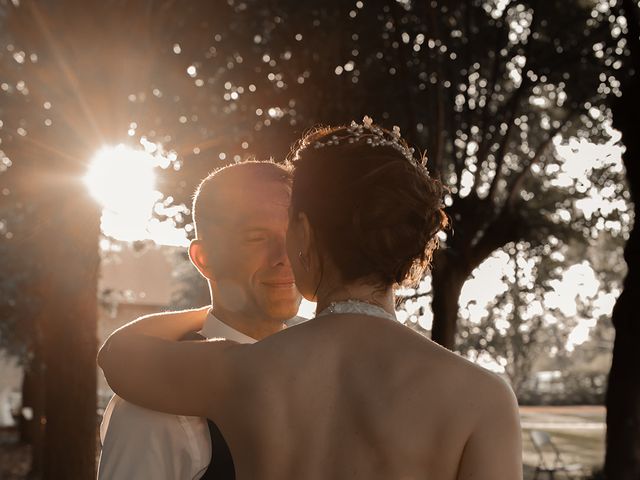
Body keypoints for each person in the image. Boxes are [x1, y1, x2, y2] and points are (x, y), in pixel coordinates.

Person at [99, 118, 523, 479]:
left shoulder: (244, 371)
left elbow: (118, 354)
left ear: (302, 232)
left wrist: (200, 315)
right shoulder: (483, 397)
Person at [98, 161, 302, 479]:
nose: (284, 256)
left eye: (294, 235)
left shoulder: (330, 361)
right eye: (256, 237)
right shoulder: (154, 406)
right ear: (204, 259)